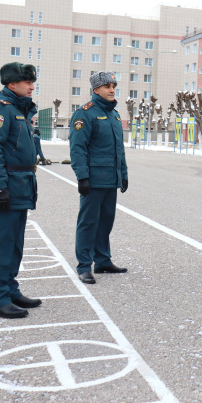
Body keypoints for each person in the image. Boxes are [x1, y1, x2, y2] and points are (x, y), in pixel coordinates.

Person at [0, 62, 41, 319]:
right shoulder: (1, 108)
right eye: (27, 83)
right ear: (12, 84)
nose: (31, 86)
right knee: (3, 244)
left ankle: (10, 289)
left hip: (21, 184)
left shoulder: (17, 108)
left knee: (15, 243)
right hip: (8, 185)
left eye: (32, 82)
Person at [69, 72, 129, 285]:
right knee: (88, 223)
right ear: (96, 90)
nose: (112, 89)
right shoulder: (85, 113)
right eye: (107, 86)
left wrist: (123, 174)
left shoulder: (114, 115)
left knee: (105, 221)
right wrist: (82, 177)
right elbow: (78, 148)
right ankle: (84, 266)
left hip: (110, 178)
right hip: (93, 180)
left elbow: (118, 149)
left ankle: (102, 261)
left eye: (113, 86)